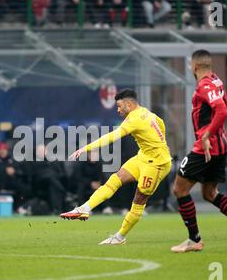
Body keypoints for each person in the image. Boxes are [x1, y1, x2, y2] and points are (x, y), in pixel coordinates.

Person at [172, 50, 227, 253]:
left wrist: (206, 135)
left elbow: (222, 110)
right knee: (210, 193)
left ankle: (194, 240)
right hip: (220, 146)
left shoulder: (204, 85)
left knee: (179, 189)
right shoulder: (217, 81)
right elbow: (224, 106)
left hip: (206, 147)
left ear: (194, 67)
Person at [61, 89, 172, 245]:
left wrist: (86, 148)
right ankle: (84, 209)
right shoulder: (146, 112)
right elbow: (160, 123)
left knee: (139, 199)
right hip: (143, 157)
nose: (118, 110)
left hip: (158, 164)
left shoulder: (133, 119)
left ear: (128, 104)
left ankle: (120, 237)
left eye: (120, 106)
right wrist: (160, 143)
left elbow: (111, 137)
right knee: (116, 179)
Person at [0, 142, 31, 211]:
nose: (2, 151)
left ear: (7, 151)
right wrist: (5, 170)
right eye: (0, 150)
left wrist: (14, 171)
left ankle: (18, 207)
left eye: (4, 150)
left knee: (25, 188)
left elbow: (20, 171)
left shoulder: (11, 160)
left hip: (11, 182)